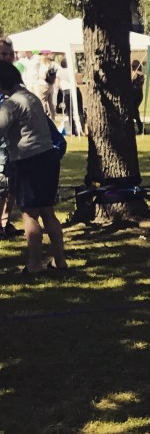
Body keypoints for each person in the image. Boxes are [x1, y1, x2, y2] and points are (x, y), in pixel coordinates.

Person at [0, 61, 69, 277]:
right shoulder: (30, 97)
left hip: (28, 162)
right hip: (48, 158)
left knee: (29, 215)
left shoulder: (12, 104)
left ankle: (34, 265)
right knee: (48, 211)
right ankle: (59, 261)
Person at [0, 36, 17, 239]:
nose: (7, 57)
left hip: (13, 137)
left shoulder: (13, 75)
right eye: (3, 54)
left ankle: (6, 221)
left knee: (12, 182)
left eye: (9, 54)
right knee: (2, 181)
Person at [130, 59, 145, 135]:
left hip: (137, 95)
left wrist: (133, 78)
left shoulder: (139, 75)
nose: (132, 68)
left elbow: (138, 85)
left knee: (134, 111)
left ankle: (139, 128)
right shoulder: (133, 74)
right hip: (133, 95)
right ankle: (139, 127)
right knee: (134, 112)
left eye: (134, 66)